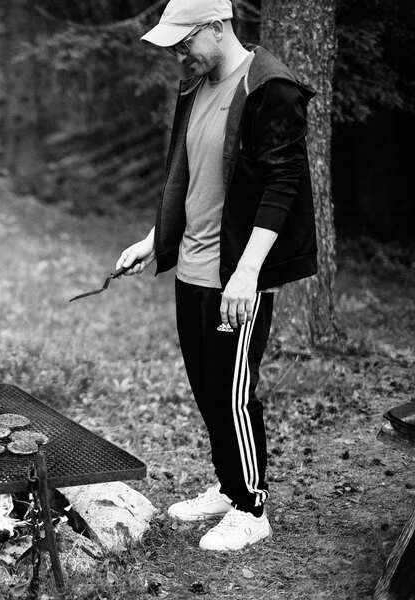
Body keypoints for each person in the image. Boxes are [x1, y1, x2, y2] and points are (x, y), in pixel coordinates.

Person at [116, 0, 317, 551]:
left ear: (216, 26)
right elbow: (190, 179)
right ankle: (229, 488)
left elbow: (283, 186)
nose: (179, 55)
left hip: (238, 273)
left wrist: (248, 274)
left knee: (233, 393)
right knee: (208, 388)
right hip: (195, 268)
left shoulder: (269, 88)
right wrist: (154, 239)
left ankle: (252, 509)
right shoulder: (195, 88)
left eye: (185, 42)